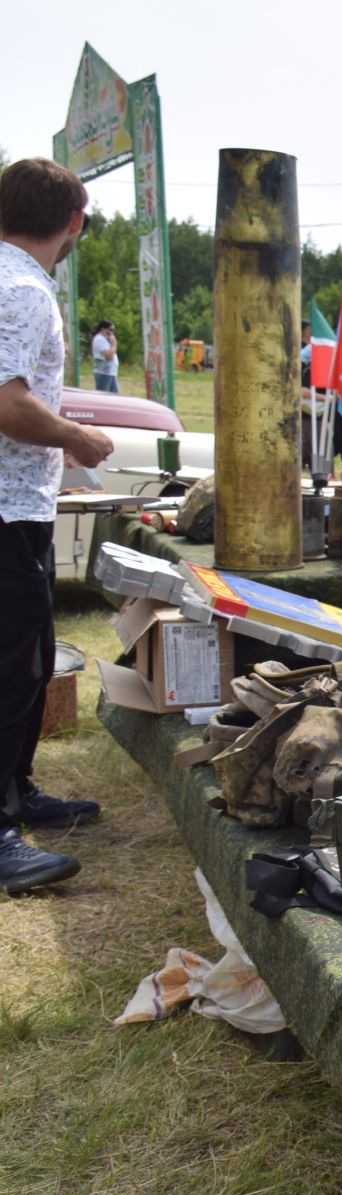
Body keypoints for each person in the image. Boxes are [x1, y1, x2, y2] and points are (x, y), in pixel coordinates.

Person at [0, 158, 114, 895]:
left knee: (32, 657)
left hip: (20, 505)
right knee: (10, 667)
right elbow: (6, 403)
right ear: (74, 223)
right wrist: (74, 436)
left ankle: (17, 791)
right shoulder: (21, 291)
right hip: (6, 509)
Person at [90, 320, 118, 392]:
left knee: (116, 398)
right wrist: (114, 343)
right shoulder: (100, 339)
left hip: (109, 372)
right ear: (103, 329)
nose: (111, 333)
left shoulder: (105, 339)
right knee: (103, 397)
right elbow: (109, 355)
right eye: (110, 330)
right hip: (104, 373)